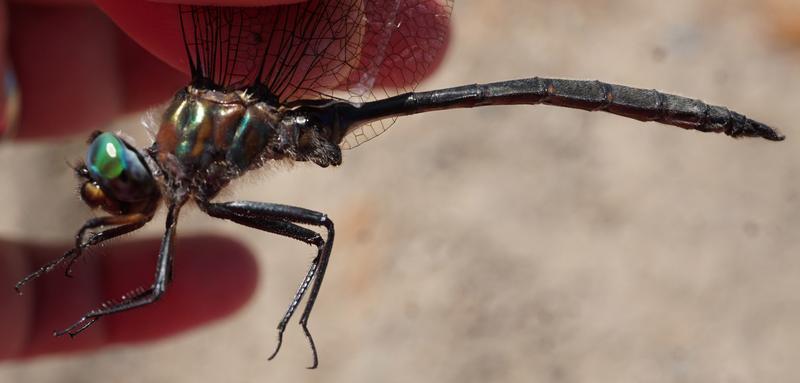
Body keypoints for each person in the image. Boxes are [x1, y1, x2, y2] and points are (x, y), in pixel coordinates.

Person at [0, 0, 449, 361]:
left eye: (114, 171)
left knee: (321, 230)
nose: (103, 193)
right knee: (318, 233)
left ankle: (297, 321)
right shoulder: (178, 176)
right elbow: (122, 244)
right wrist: (81, 250)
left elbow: (157, 286)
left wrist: (92, 312)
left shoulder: (183, 167)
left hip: (282, 120)